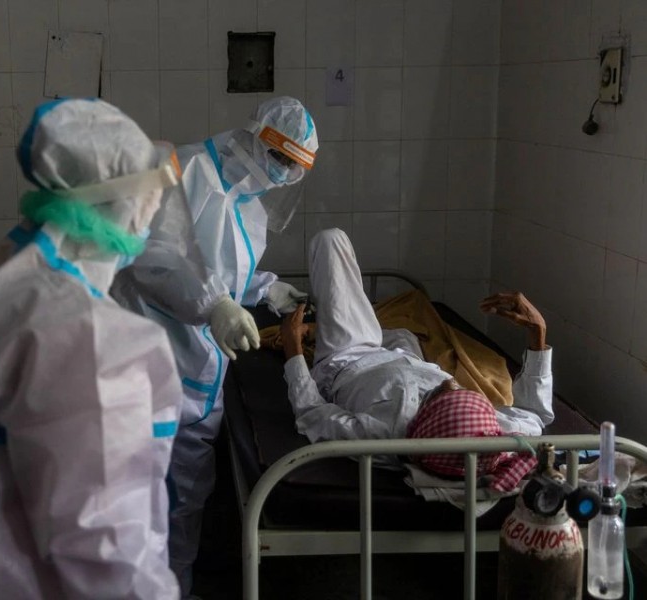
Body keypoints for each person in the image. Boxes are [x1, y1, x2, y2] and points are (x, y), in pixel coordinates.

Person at [0, 99, 186, 599]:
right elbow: (106, 549)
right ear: (118, 199)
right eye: (150, 195)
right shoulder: (83, 333)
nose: (154, 211)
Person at [111, 95, 319, 593]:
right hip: (152, 362)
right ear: (258, 139)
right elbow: (156, 261)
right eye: (283, 162)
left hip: (200, 372)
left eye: (295, 171)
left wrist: (264, 288)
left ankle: (173, 587)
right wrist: (214, 305)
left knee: (186, 497)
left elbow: (227, 269)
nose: (284, 176)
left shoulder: (246, 202)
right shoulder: (186, 172)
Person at [279, 228, 554, 486]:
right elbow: (534, 417)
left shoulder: (382, 434)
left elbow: (311, 413)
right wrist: (537, 334)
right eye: (461, 391)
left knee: (331, 239)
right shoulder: (482, 439)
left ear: (427, 420)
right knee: (406, 330)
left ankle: (326, 328)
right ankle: (335, 326)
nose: (451, 383)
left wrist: (293, 349)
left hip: (349, 355)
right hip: (406, 352)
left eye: (446, 396)